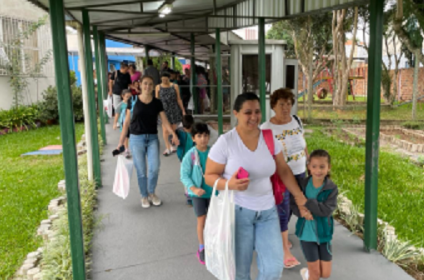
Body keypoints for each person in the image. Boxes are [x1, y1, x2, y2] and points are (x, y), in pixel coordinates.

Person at [205, 92, 309, 280]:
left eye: (257, 112)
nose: (254, 117)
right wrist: (230, 184)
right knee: (240, 272)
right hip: (238, 213)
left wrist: (300, 198)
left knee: (273, 268)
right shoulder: (226, 142)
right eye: (247, 112)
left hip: (268, 212)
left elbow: (283, 170)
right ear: (235, 113)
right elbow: (209, 176)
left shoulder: (269, 138)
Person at [261, 88, 309, 269]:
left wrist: (309, 161)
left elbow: (303, 143)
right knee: (282, 207)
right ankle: (282, 249)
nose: (285, 108)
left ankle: (280, 235)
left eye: (288, 104)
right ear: (273, 106)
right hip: (280, 174)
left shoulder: (296, 121)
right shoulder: (266, 128)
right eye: (281, 104)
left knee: (291, 208)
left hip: (300, 171)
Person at [117, 75, 179, 208]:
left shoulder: (157, 102)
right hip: (136, 139)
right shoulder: (133, 100)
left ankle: (151, 192)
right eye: (145, 83)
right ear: (140, 85)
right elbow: (126, 122)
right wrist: (121, 142)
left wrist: (173, 134)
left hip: (152, 139)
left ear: (153, 86)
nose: (148, 87)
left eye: (150, 84)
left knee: (154, 168)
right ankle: (144, 196)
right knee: (141, 170)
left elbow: (164, 120)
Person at [290, 150, 338, 280]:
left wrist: (307, 203)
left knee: (325, 274)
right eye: (314, 166)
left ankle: (306, 274)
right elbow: (293, 202)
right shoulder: (302, 184)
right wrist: (300, 211)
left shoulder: (331, 188)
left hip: (324, 234)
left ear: (328, 168)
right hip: (306, 234)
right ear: (309, 168)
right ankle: (311, 275)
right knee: (316, 273)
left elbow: (326, 211)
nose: (318, 170)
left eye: (322, 167)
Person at [180, 123, 213, 265]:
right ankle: (202, 247)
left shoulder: (214, 152)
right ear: (193, 138)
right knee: (202, 220)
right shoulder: (190, 155)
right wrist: (193, 189)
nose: (203, 139)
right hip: (198, 194)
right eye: (199, 136)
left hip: (213, 193)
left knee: (214, 221)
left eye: (205, 135)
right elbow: (184, 175)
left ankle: (213, 244)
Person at [156, 72, 186, 156]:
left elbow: (179, 99)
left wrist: (183, 110)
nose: (164, 81)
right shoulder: (158, 87)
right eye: (163, 79)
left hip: (174, 109)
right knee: (165, 129)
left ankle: (171, 145)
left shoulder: (174, 86)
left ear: (169, 78)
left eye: (166, 79)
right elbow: (156, 100)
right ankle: (167, 147)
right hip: (163, 111)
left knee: (172, 129)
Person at [113, 89, 133, 157]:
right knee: (125, 137)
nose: (129, 98)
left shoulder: (132, 103)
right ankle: (126, 149)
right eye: (127, 97)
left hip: (132, 123)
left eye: (130, 97)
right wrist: (115, 123)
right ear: (123, 96)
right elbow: (117, 115)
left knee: (132, 136)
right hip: (123, 124)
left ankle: (132, 148)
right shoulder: (120, 105)